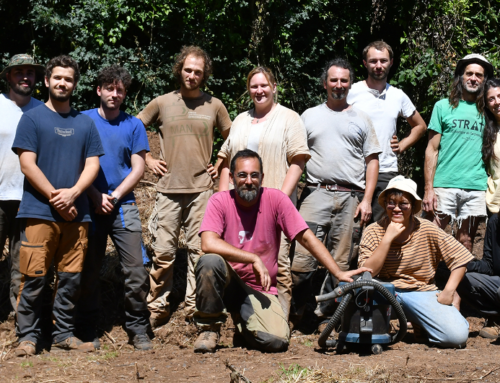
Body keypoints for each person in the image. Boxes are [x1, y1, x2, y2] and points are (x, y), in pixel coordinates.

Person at [193, 150, 370, 353]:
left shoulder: (275, 200)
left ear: (262, 178)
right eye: (242, 175)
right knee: (209, 261)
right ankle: (209, 329)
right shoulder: (220, 201)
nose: (249, 181)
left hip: (259, 288)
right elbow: (208, 242)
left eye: (254, 175)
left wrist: (338, 272)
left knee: (276, 341)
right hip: (227, 283)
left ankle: (245, 325)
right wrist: (253, 258)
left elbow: (306, 237)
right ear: (232, 178)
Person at [12, 55, 104, 356]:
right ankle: (28, 336)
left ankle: (64, 333)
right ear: (48, 80)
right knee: (32, 277)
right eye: (58, 78)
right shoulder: (32, 119)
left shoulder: (85, 123)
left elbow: (92, 164)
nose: (63, 83)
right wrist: (56, 196)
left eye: (69, 79)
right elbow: (27, 164)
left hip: (77, 216)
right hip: (38, 212)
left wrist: (74, 192)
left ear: (75, 85)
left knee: (70, 278)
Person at [137, 45, 232, 327]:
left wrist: (221, 161)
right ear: (180, 69)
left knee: (198, 252)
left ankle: (194, 306)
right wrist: (147, 158)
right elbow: (133, 127)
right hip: (168, 189)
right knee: (164, 253)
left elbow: (232, 137)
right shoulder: (162, 102)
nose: (192, 75)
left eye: (198, 72)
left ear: (205, 75)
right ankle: (157, 307)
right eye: (188, 70)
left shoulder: (214, 105)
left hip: (202, 190)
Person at [290, 57, 381, 322]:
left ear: (350, 83)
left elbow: (372, 161)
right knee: (301, 261)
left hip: (351, 196)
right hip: (315, 192)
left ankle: (329, 313)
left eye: (344, 80)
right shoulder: (309, 116)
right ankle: (300, 310)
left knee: (342, 261)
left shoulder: (361, 118)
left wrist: (366, 200)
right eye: (334, 80)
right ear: (324, 83)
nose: (338, 85)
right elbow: (296, 157)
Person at [217, 66, 310, 317]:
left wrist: (279, 199)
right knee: (236, 258)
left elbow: (298, 161)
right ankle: (237, 315)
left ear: (274, 87)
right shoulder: (240, 120)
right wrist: (221, 198)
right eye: (254, 86)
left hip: (272, 203)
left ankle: (280, 315)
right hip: (239, 204)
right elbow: (226, 162)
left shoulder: (290, 118)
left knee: (277, 261)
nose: (259, 91)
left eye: (264, 85)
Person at [76, 65, 152, 350]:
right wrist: (95, 195)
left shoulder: (133, 125)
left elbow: (138, 167)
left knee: (136, 270)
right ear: (99, 90)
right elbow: (76, 163)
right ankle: (86, 327)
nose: (115, 94)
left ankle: (137, 327)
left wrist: (115, 195)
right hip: (88, 202)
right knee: (89, 268)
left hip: (124, 205)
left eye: (120, 90)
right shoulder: (82, 121)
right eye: (110, 88)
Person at [359, 176, 473, 348]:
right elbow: (368, 272)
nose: (396, 209)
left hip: (420, 291)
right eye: (391, 203)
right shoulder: (373, 231)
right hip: (383, 291)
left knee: (456, 337)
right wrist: (387, 239)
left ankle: (421, 322)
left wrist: (448, 291)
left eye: (403, 204)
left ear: (412, 206)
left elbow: (461, 257)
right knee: (361, 334)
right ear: (385, 205)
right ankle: (385, 324)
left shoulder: (426, 228)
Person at [347, 40, 427, 222]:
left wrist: (402, 145)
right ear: (365, 63)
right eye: (373, 61)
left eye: (383, 61)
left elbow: (420, 126)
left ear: (391, 62)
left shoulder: (397, 95)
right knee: (353, 229)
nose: (378, 66)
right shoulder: (352, 92)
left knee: (380, 229)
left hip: (386, 170)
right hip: (355, 170)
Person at [423, 54, 493, 252]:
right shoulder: (443, 106)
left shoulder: (489, 112)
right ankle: (423, 281)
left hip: (476, 187)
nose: (473, 78)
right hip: (444, 184)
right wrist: (429, 188)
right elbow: (432, 149)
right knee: (430, 239)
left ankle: (457, 284)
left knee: (466, 244)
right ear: (460, 77)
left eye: (479, 75)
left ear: (484, 80)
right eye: (469, 73)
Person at [0, 54, 44, 312]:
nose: (25, 77)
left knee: (23, 264)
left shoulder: (42, 110)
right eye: (19, 72)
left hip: (30, 198)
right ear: (8, 76)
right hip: (0, 194)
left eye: (30, 72)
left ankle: (22, 323)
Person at [480, 79, 500, 214]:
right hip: (496, 206)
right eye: (491, 99)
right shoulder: (487, 133)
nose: (497, 102)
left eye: (499, 96)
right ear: (487, 105)